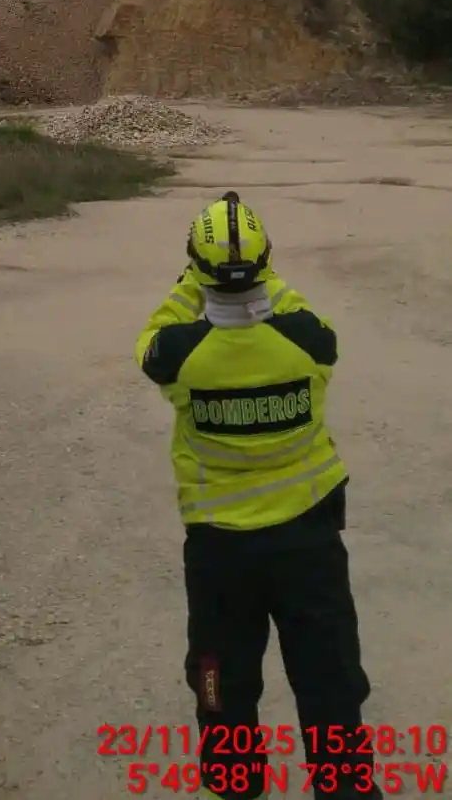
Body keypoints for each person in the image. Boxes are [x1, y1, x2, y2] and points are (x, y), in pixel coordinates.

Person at [135, 192, 379, 800]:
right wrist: (259, 272)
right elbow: (298, 309)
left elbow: (153, 336)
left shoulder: (180, 358)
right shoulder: (309, 344)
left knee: (221, 683)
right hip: (309, 542)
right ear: (267, 263)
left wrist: (197, 275)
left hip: (220, 552)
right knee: (329, 680)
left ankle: (236, 786)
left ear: (197, 266)